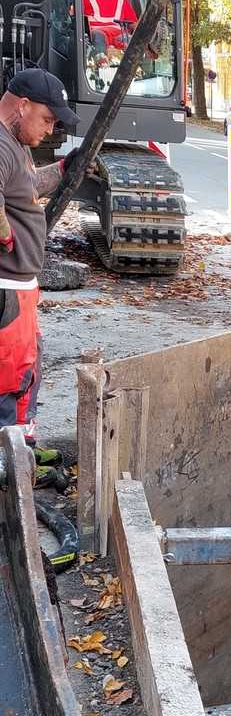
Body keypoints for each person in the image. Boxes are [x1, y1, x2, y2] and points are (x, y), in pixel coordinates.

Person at [0, 69, 78, 439]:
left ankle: (20, 453)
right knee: (9, 381)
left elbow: (26, 188)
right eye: (47, 119)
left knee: (25, 373)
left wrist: (63, 169)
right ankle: (7, 465)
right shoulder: (0, 145)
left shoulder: (14, 146)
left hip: (19, 288)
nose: (50, 130)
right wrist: (7, 238)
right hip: (6, 288)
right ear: (23, 106)